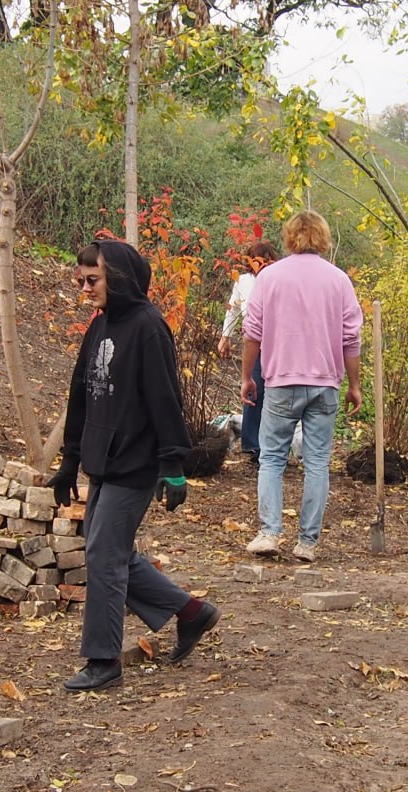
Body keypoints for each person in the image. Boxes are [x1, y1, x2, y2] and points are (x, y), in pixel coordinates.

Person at [48, 239, 220, 693]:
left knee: (104, 553)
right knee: (108, 550)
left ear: (119, 278)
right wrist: (69, 463)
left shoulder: (149, 328)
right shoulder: (99, 326)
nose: (85, 288)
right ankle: (190, 612)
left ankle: (104, 659)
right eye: (80, 280)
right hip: (104, 460)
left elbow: (166, 399)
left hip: (139, 462)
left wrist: (173, 464)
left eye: (93, 280)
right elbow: (80, 396)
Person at [240, 210, 363, 563]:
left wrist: (247, 376)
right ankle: (307, 542)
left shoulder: (270, 277)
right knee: (318, 463)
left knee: (272, 458)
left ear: (290, 237)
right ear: (323, 238)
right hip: (325, 383)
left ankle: (270, 532)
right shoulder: (339, 280)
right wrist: (354, 384)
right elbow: (350, 339)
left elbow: (253, 333)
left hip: (281, 381)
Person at [217, 240, 279, 462]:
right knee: (253, 392)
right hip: (255, 345)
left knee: (276, 394)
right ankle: (254, 445)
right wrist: (225, 336)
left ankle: (273, 444)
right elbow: (233, 310)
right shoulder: (242, 282)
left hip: (279, 346)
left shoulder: (279, 279)